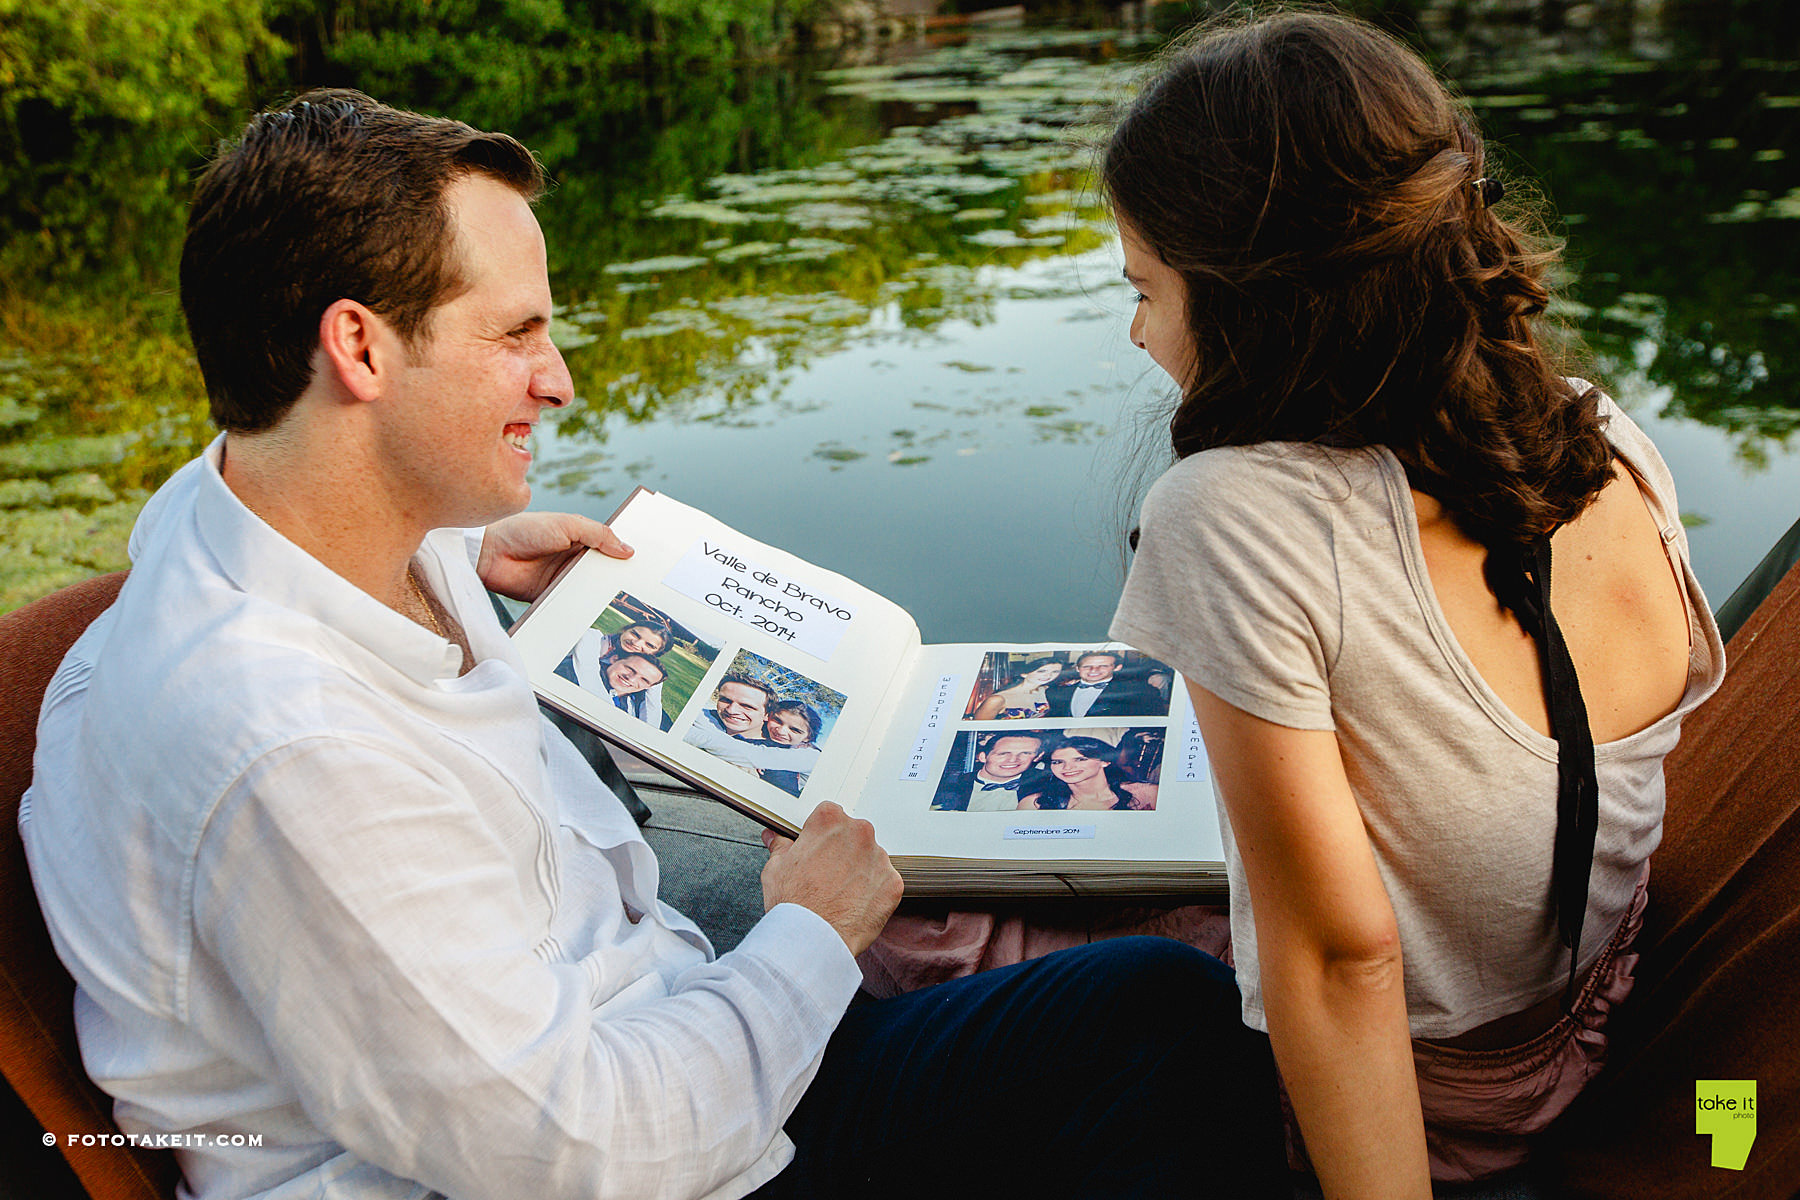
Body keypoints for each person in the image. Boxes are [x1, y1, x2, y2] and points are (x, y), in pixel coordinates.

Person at [21, 87, 1291, 1200]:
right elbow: (574, 1152)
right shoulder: (280, 748)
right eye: (515, 334)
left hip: (660, 1026)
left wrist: (465, 551)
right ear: (358, 346)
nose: (559, 377)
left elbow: (271, 551)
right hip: (655, 1154)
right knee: (1168, 1030)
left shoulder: (280, 529)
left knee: (1164, 956)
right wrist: (809, 931)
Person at [1101, 11, 1726, 1195]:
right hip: (1584, 1004)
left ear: (1260, 295)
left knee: (926, 945)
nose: (1138, 332)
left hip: (1428, 1098)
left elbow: (1342, 960)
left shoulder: (1234, 512)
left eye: (1146, 287)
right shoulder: (1601, 436)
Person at [554, 618, 673, 725]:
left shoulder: (650, 671)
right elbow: (588, 677)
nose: (636, 643)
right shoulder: (594, 637)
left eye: (649, 645)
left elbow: (652, 708)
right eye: (635, 634)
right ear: (626, 629)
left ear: (655, 654)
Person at [1017, 735, 1157, 812]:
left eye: (1079, 759)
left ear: (1105, 761)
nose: (1067, 767)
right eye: (1058, 762)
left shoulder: (1147, 793)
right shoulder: (1033, 804)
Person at [929, 732, 1046, 812]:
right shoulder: (948, 785)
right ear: (982, 757)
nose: (1013, 760)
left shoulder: (1043, 785)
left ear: (1037, 757)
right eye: (1003, 754)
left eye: (1025, 753)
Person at [1043, 651, 1167, 718]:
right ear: (1077, 668)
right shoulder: (1055, 692)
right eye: (1087, 666)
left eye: (1103, 666)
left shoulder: (1140, 692)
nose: (1093, 670)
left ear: (1117, 668)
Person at [760, 699, 823, 797]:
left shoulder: (810, 755)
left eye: (794, 730)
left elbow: (757, 756)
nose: (780, 731)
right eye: (777, 721)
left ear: (808, 737)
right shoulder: (779, 743)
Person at [968, 657, 1064, 720]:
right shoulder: (997, 700)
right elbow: (978, 732)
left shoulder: (1045, 690)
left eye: (1055, 671)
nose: (1048, 675)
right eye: (1041, 671)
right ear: (1024, 673)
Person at [596, 653, 670, 730]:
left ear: (648, 687)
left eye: (644, 680)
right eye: (630, 669)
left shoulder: (640, 705)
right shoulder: (589, 676)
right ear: (615, 659)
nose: (631, 679)